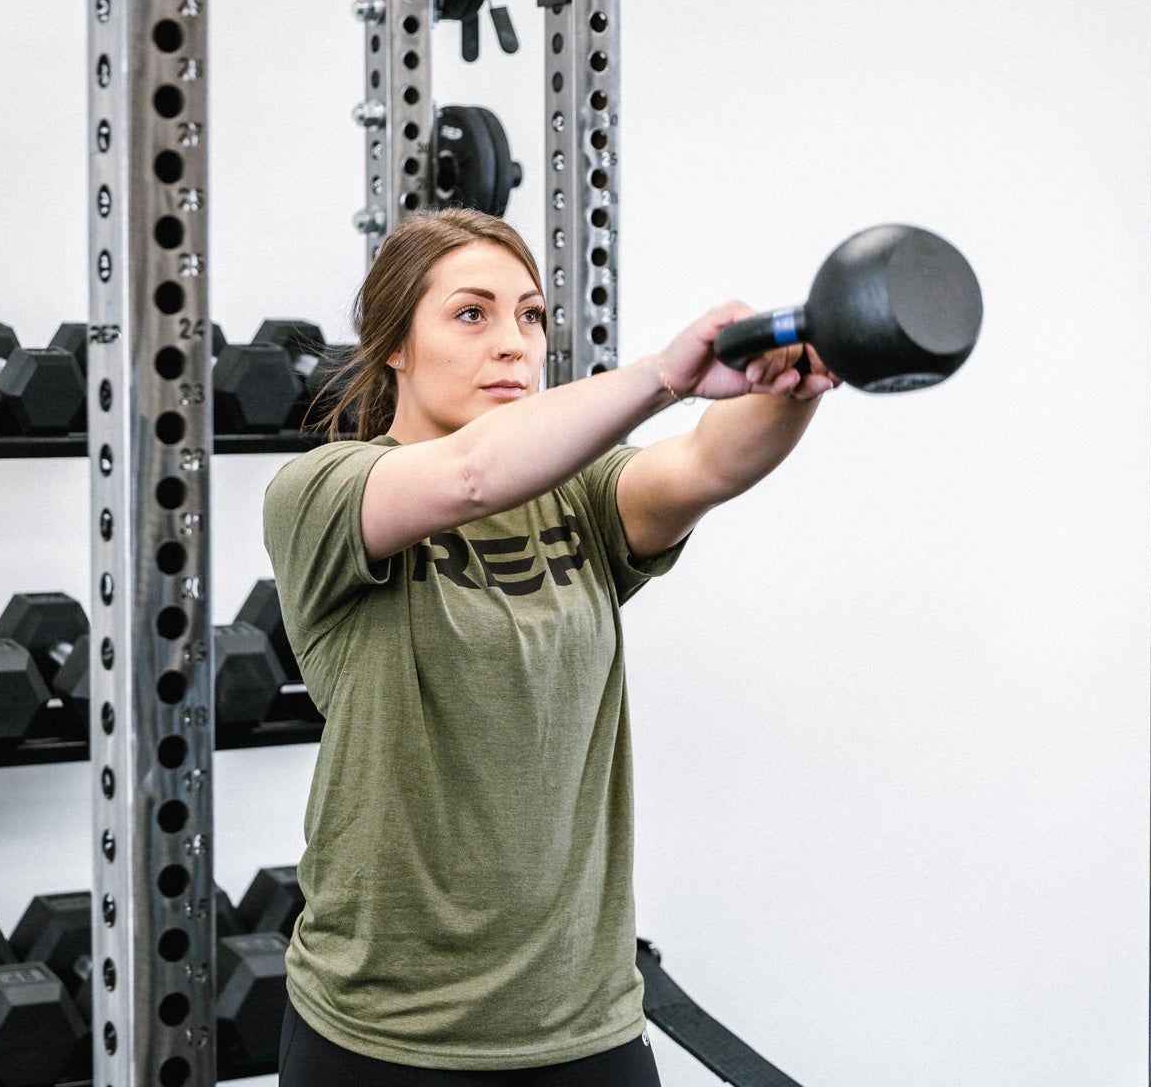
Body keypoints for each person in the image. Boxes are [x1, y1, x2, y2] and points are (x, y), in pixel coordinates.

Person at [262, 208, 836, 1085]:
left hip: (584, 1021)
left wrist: (789, 383)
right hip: (385, 1031)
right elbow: (468, 474)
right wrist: (659, 375)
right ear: (393, 347)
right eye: (471, 314)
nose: (513, 344)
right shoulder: (323, 493)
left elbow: (705, 467)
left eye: (530, 316)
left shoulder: (578, 493)